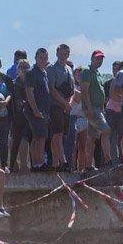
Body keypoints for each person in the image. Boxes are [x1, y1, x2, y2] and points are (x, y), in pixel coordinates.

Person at [79, 51, 111, 173]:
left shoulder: (98, 73)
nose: (99, 61)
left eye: (101, 59)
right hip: (92, 109)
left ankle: (88, 165)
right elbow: (85, 90)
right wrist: (89, 108)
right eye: (97, 59)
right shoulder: (87, 72)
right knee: (106, 130)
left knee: (91, 137)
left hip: (98, 108)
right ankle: (108, 160)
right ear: (92, 58)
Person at [46, 44, 75, 172]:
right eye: (61, 53)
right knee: (57, 134)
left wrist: (69, 103)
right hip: (56, 105)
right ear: (57, 54)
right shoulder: (52, 68)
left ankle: (55, 163)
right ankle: (63, 162)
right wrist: (64, 103)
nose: (63, 56)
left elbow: (72, 89)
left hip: (67, 106)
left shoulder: (69, 69)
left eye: (65, 54)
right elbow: (52, 88)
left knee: (60, 135)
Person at [24, 48, 51, 171]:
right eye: (40, 58)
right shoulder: (31, 73)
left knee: (38, 137)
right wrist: (35, 109)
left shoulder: (44, 73)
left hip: (44, 110)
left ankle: (36, 164)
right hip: (35, 110)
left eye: (45, 58)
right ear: (35, 58)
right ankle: (38, 163)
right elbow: (29, 92)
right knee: (40, 137)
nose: (43, 60)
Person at [9, 58, 32, 172]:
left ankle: (24, 164)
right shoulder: (13, 84)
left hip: (29, 116)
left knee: (25, 140)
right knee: (14, 140)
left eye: (26, 67)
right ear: (17, 69)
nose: (24, 69)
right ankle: (13, 164)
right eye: (21, 67)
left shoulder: (32, 83)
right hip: (15, 116)